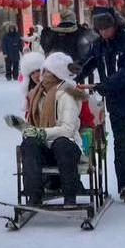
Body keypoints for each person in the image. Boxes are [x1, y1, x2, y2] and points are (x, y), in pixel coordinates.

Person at [78, 8, 125, 203]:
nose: (104, 33)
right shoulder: (99, 45)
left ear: (115, 25)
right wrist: (67, 74)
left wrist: (103, 85)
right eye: (100, 29)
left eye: (107, 28)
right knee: (120, 144)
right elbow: (85, 64)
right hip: (116, 103)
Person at [21, 52, 85, 207]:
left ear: (57, 73)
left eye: (47, 71)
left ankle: (70, 196)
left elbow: (68, 129)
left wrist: (41, 133)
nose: (42, 75)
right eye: (44, 71)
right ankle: (34, 195)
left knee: (61, 143)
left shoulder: (68, 93)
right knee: (29, 143)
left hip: (68, 147)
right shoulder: (37, 93)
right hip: (46, 148)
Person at [19, 51, 45, 116]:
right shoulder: (30, 93)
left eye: (38, 71)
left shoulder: (52, 90)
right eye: (32, 73)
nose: (36, 75)